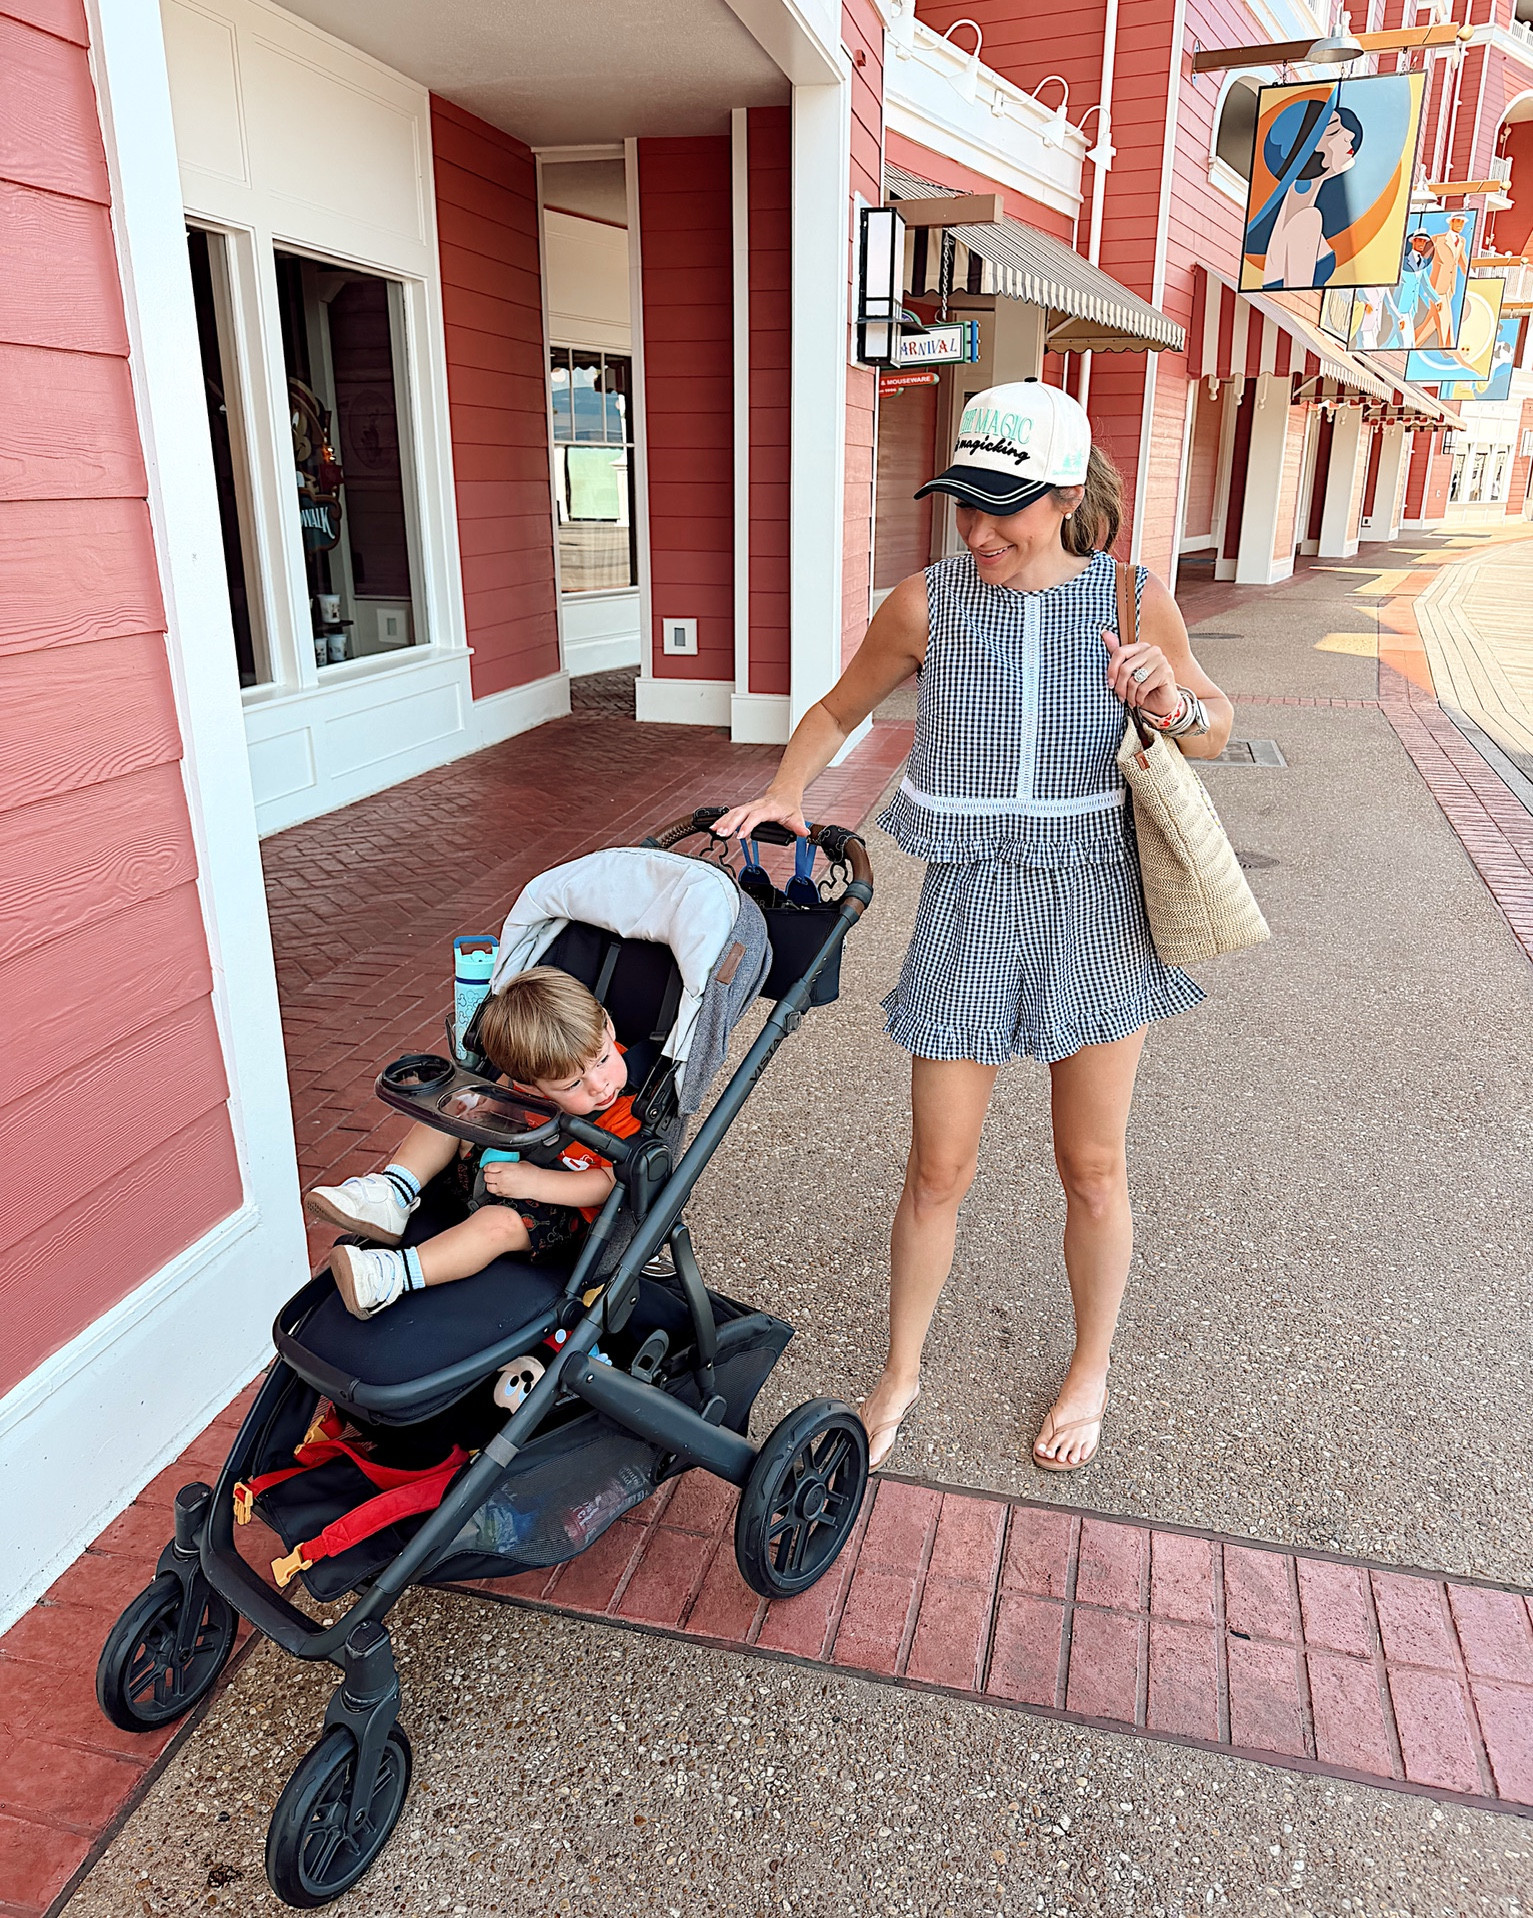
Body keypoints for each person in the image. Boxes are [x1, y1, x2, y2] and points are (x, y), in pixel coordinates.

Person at [718, 381, 1233, 1473]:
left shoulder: (1137, 600)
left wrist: (1170, 704)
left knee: (1091, 1164)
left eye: (1004, 506)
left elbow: (1217, 726)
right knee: (936, 1169)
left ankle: (1091, 1365)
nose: (980, 530)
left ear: (1061, 495)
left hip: (1099, 905)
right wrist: (788, 791)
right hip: (968, 902)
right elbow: (834, 709)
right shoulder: (926, 602)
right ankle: (900, 1371)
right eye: (964, 503)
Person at [305, 967, 640, 1319]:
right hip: (499, 1167)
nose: (600, 1085)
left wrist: (536, 1182)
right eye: (573, 1084)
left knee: (496, 1226)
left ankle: (390, 1278)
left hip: (556, 1216)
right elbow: (508, 1083)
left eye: (603, 1060)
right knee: (449, 1115)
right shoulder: (533, 1070)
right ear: (532, 1088)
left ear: (608, 1027)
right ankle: (393, 1193)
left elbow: (609, 1182)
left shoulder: (627, 1109)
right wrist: (489, 1105)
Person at [1244, 92, 1363, 290]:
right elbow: (1294, 294)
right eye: (1333, 131)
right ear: (1306, 150)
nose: (1349, 135)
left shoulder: (1297, 213)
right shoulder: (1307, 219)